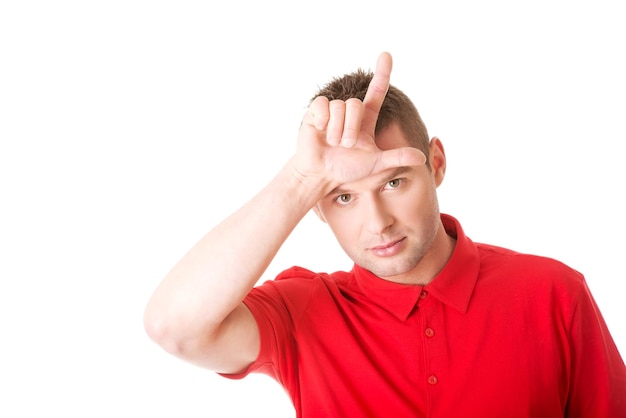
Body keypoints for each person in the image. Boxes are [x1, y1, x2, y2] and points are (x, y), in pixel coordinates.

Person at [143, 52, 626, 417]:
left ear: (435, 163)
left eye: (393, 182)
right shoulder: (303, 311)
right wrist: (302, 180)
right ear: (316, 208)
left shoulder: (552, 292)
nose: (377, 223)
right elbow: (173, 327)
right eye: (343, 197)